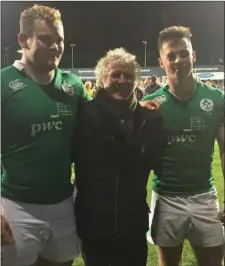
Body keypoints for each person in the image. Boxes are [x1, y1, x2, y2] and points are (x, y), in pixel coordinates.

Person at [1, 4, 91, 266]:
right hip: (15, 206)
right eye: (46, 39)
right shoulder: (4, 84)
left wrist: (137, 106)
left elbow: (101, 119)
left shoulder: (73, 85)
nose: (55, 46)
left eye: (60, 40)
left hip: (63, 204)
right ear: (23, 40)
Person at [73, 48, 166, 266]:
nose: (121, 80)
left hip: (133, 225)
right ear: (102, 79)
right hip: (93, 224)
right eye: (115, 75)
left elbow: (159, 161)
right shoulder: (83, 116)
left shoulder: (149, 119)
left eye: (128, 76)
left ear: (136, 81)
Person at [142, 26, 224, 266]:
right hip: (166, 198)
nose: (179, 60)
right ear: (161, 61)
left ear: (194, 55)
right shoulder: (151, 104)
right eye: (171, 56)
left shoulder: (216, 99)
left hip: (205, 197)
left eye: (184, 53)